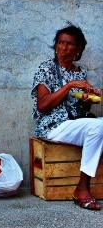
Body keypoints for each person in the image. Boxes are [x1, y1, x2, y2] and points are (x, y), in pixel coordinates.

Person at [31, 25, 103, 210]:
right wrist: (69, 86)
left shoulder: (80, 73)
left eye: (70, 44)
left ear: (79, 49)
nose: (64, 48)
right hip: (53, 126)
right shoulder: (46, 68)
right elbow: (43, 104)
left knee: (99, 125)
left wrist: (88, 99)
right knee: (96, 127)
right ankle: (82, 188)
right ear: (55, 46)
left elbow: (81, 108)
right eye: (61, 43)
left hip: (75, 124)